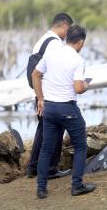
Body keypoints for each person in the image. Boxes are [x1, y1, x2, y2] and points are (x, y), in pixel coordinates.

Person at [32, 25, 95, 199]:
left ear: (67, 37)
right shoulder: (77, 60)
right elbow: (78, 88)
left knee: (46, 148)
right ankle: (77, 185)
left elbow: (35, 74)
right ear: (81, 42)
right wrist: (87, 84)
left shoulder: (51, 53)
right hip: (67, 109)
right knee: (81, 146)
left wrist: (40, 98)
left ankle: (41, 188)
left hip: (49, 108)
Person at [26, 13, 74, 178]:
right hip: (48, 94)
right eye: (69, 30)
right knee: (56, 129)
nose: (68, 34)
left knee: (43, 129)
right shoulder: (54, 44)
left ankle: (33, 167)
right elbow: (55, 70)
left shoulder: (43, 40)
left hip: (40, 92)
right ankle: (50, 169)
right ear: (65, 25)